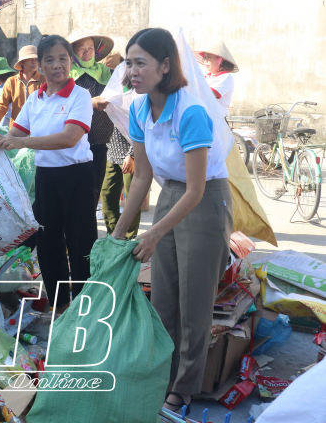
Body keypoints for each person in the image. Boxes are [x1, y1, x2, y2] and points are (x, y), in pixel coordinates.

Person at [111, 28, 233, 413]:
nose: (132, 71)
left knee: (194, 304)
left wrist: (155, 231)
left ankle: (185, 387)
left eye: (141, 63)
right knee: (163, 298)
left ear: (165, 66)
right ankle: (162, 376)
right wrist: (116, 235)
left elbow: (196, 189)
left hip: (206, 200)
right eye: (128, 63)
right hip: (169, 196)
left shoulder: (191, 111)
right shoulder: (137, 109)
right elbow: (142, 177)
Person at [0, 35, 97, 314]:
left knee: (80, 242)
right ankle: (61, 306)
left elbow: (69, 138)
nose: (57, 65)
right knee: (49, 245)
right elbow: (16, 132)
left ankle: (83, 309)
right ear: (40, 65)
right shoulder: (36, 99)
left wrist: (21, 142)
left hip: (78, 177)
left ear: (71, 62)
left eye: (63, 58)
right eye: (49, 59)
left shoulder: (80, 95)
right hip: (47, 178)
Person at [67, 31, 117, 206]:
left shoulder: (107, 73)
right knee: (76, 188)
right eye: (81, 49)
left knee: (95, 187)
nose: (87, 52)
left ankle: (88, 223)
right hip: (74, 142)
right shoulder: (66, 75)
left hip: (101, 140)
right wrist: (90, 102)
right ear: (73, 52)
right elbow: (61, 103)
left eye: (90, 48)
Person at [99, 51, 141, 238]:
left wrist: (132, 154)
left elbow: (142, 125)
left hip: (134, 149)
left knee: (133, 196)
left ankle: (129, 236)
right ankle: (113, 233)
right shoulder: (111, 89)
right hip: (114, 146)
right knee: (107, 192)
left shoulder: (140, 90)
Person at [0, 45, 44, 129]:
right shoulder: (11, 81)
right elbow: (2, 105)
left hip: (38, 129)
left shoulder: (44, 81)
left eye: (36, 59)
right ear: (22, 62)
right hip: (16, 130)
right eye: (30, 59)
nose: (34, 62)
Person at [195, 41, 238, 117]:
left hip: (217, 122)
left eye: (209, 57)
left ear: (220, 60)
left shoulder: (225, 77)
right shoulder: (205, 77)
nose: (205, 60)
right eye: (205, 57)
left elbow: (209, 94)